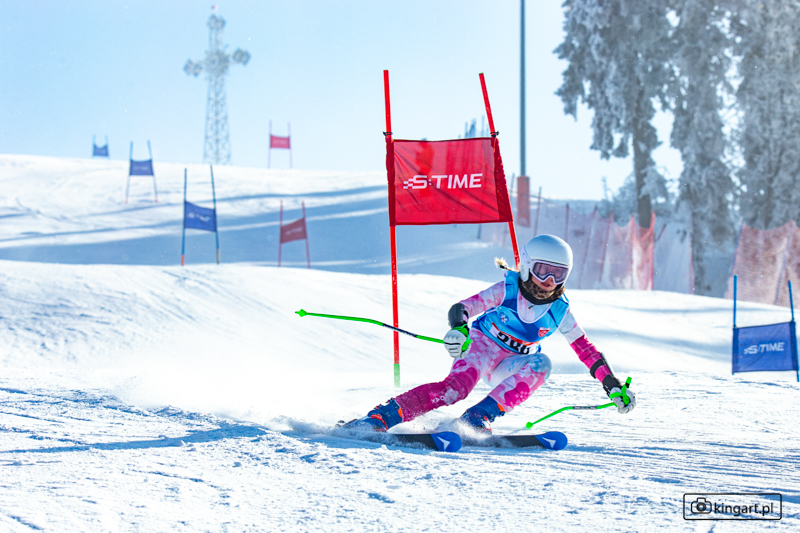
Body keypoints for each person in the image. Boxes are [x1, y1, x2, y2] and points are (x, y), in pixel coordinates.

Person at [344, 234, 636, 433]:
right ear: (526, 266)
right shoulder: (507, 289)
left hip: (512, 363)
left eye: (558, 273)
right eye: (543, 270)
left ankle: (476, 418)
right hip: (482, 346)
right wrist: (459, 329)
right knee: (455, 390)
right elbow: (464, 307)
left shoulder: (560, 309)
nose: (549, 280)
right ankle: (381, 417)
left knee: (543, 364)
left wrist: (611, 384)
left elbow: (585, 349)